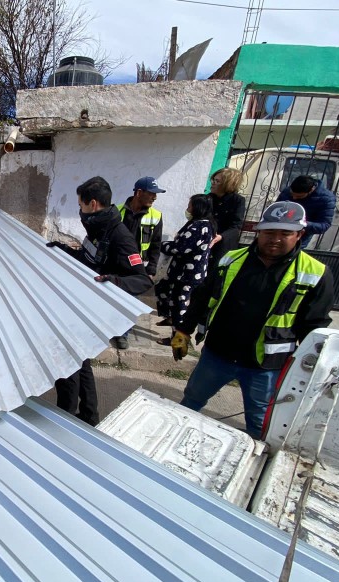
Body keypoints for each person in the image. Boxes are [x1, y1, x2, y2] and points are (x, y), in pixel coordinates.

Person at [171, 201, 334, 439]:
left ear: (299, 235)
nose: (275, 239)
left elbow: (314, 327)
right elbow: (203, 296)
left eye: (285, 233)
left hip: (265, 365)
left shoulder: (316, 273)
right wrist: (184, 330)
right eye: (269, 232)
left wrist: (309, 366)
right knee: (191, 401)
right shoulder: (231, 260)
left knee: (259, 424)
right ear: (258, 232)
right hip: (218, 353)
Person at [47, 176, 153, 424]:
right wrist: (64, 250)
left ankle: (64, 418)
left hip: (92, 311)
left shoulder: (119, 236)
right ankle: (89, 416)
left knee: (68, 365)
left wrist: (114, 281)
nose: (80, 212)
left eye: (81, 206)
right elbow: (89, 259)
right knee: (81, 363)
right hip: (81, 304)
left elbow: (143, 280)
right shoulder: (97, 228)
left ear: (93, 204)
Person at [154, 194, 215, 344]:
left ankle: (177, 338)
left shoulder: (199, 227)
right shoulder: (198, 224)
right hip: (180, 272)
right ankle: (170, 319)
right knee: (162, 289)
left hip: (187, 275)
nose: (187, 209)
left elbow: (180, 248)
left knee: (179, 304)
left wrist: (160, 245)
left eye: (190, 205)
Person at [119, 176, 164, 281]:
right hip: (114, 265)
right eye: (151, 193)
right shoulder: (117, 211)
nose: (155, 197)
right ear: (139, 193)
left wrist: (151, 270)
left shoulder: (156, 216)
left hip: (138, 269)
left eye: (156, 194)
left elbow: (156, 245)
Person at [276, 175, 336, 248]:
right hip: (278, 230)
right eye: (292, 195)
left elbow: (324, 225)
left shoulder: (326, 199)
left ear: (311, 190)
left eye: (299, 197)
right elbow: (275, 210)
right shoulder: (287, 191)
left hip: (300, 237)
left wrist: (302, 223)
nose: (294, 198)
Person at [207, 167, 246, 272]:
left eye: (217, 181)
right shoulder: (208, 198)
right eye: (213, 180)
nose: (213, 183)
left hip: (223, 245)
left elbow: (236, 226)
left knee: (215, 273)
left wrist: (221, 236)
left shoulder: (238, 201)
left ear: (227, 183)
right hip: (206, 241)